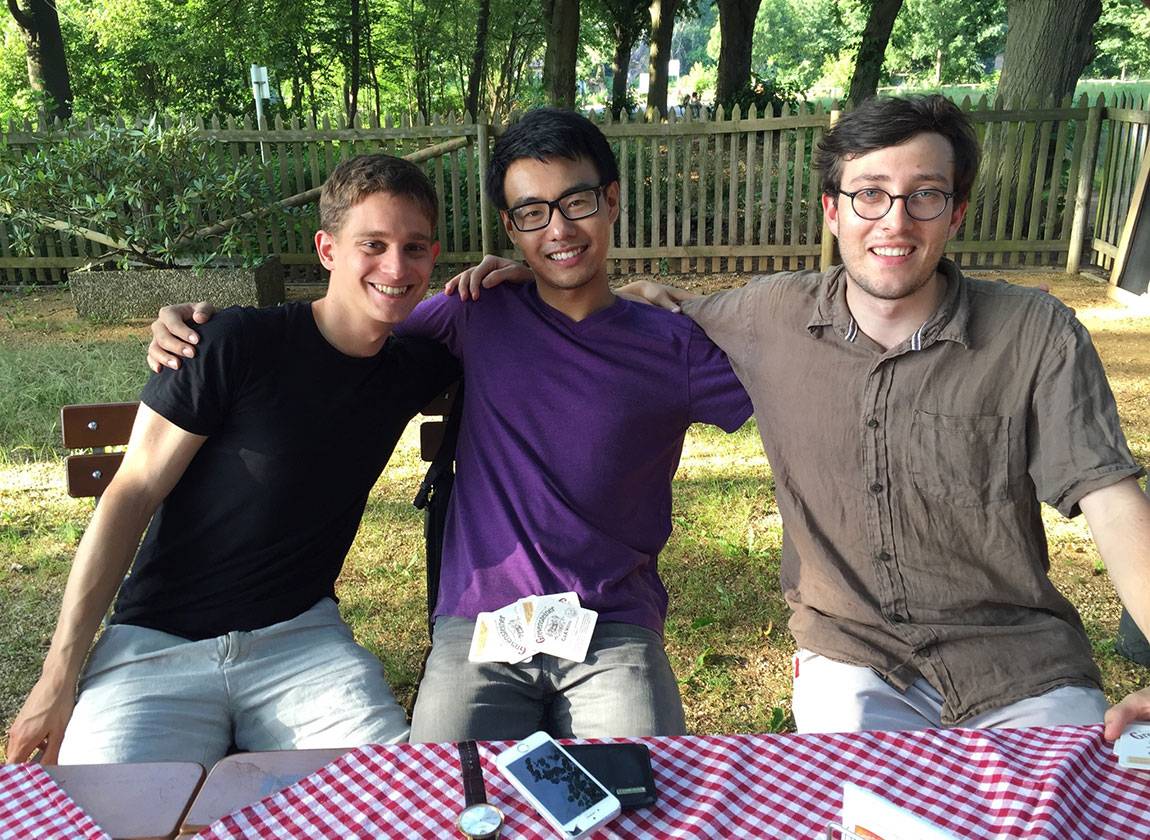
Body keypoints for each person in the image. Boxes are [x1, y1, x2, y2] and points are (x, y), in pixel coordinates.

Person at [144, 108, 753, 742]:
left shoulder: (672, 346)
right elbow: (341, 334)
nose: (558, 229)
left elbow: (794, 373)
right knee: (439, 801)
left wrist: (676, 303)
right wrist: (199, 332)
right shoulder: (475, 312)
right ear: (511, 229)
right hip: (481, 626)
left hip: (613, 630)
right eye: (531, 213)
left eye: (576, 203)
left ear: (612, 201)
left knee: (635, 801)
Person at [618, 94, 1150, 734]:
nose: (895, 222)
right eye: (871, 193)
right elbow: (649, 309)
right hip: (855, 661)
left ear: (955, 213)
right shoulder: (769, 315)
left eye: (924, 195)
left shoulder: (1036, 335)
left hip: (1020, 664)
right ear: (833, 210)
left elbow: (1113, 502)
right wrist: (529, 289)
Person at [4, 154, 460, 765]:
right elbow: (131, 492)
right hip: (156, 648)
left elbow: (531, 315)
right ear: (327, 249)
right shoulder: (233, 343)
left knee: (391, 796)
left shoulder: (412, 366)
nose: (396, 267)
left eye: (416, 247)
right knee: (105, 812)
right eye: (372, 244)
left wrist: (633, 293)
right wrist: (58, 676)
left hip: (302, 644)